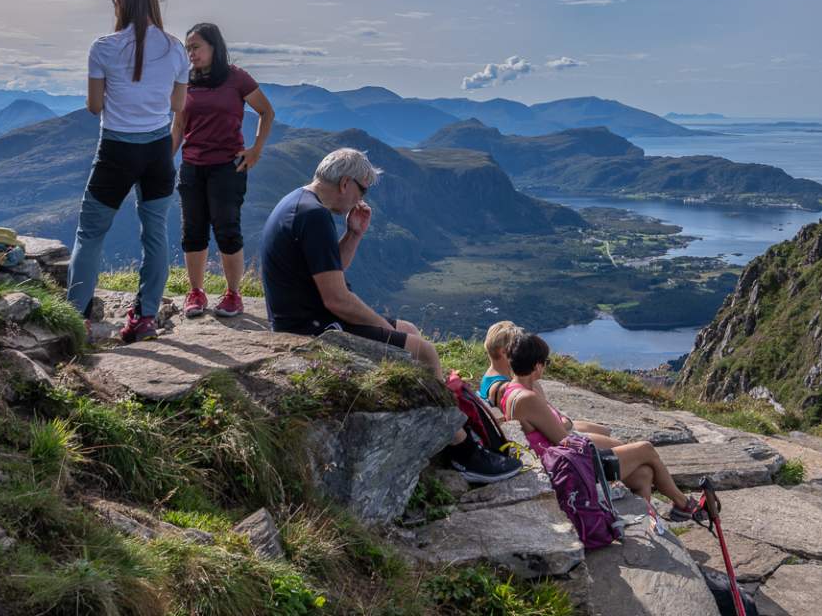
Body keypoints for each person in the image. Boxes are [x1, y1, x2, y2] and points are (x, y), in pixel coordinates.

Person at [258, 147, 519, 482]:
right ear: (346, 183)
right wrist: (384, 329)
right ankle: (462, 450)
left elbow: (329, 269)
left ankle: (449, 425)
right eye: (362, 191)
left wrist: (353, 234)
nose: (360, 199)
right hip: (312, 329)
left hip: (307, 316)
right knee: (423, 350)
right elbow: (337, 299)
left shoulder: (301, 202)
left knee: (409, 329)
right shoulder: (314, 216)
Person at [66, 0, 189, 345]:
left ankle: (77, 318)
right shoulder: (175, 49)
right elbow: (178, 105)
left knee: (90, 234)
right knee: (154, 235)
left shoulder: (103, 47)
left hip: (116, 150)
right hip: (156, 152)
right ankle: (145, 317)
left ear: (119, 1)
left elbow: (94, 106)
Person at [500, 334, 700, 528]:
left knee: (644, 474)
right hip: (568, 467)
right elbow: (563, 438)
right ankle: (684, 504)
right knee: (646, 449)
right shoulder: (528, 398)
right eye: (546, 362)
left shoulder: (514, 389)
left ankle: (644, 524)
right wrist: (568, 424)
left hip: (564, 460)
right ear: (537, 365)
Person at [173, 22, 274, 318]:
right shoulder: (184, 80)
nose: (191, 54)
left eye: (196, 47)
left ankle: (233, 294)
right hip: (192, 166)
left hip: (227, 168)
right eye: (188, 48)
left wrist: (256, 149)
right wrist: (165, 159)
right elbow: (178, 126)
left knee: (227, 231)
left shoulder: (236, 78)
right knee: (193, 232)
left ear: (214, 47)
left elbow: (266, 111)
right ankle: (196, 292)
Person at [482, 321, 612, 438]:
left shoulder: (491, 377)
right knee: (607, 438)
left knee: (606, 431)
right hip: (546, 435)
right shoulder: (502, 388)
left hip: (549, 425)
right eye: (516, 346)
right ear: (504, 352)